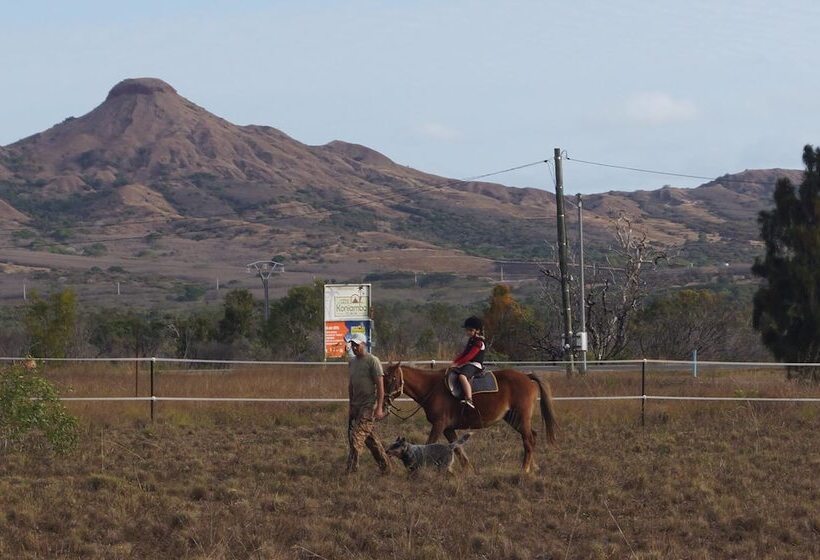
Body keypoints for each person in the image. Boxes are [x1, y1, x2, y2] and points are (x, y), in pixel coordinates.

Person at [345, 332, 390, 474]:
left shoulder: (373, 361)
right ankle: (386, 468)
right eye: (352, 345)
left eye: (357, 345)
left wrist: (379, 407)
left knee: (356, 437)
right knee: (371, 441)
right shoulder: (352, 362)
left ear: (364, 344)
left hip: (368, 406)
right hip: (357, 405)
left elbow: (380, 386)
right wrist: (351, 405)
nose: (354, 347)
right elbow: (351, 385)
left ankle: (351, 471)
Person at [450, 316, 486, 409]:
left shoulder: (479, 342)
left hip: (475, 365)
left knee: (462, 376)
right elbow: (464, 353)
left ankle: (469, 399)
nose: (468, 332)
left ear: (477, 331)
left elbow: (470, 356)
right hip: (468, 364)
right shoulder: (471, 340)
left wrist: (458, 364)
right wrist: (454, 362)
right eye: (467, 330)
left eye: (470, 330)